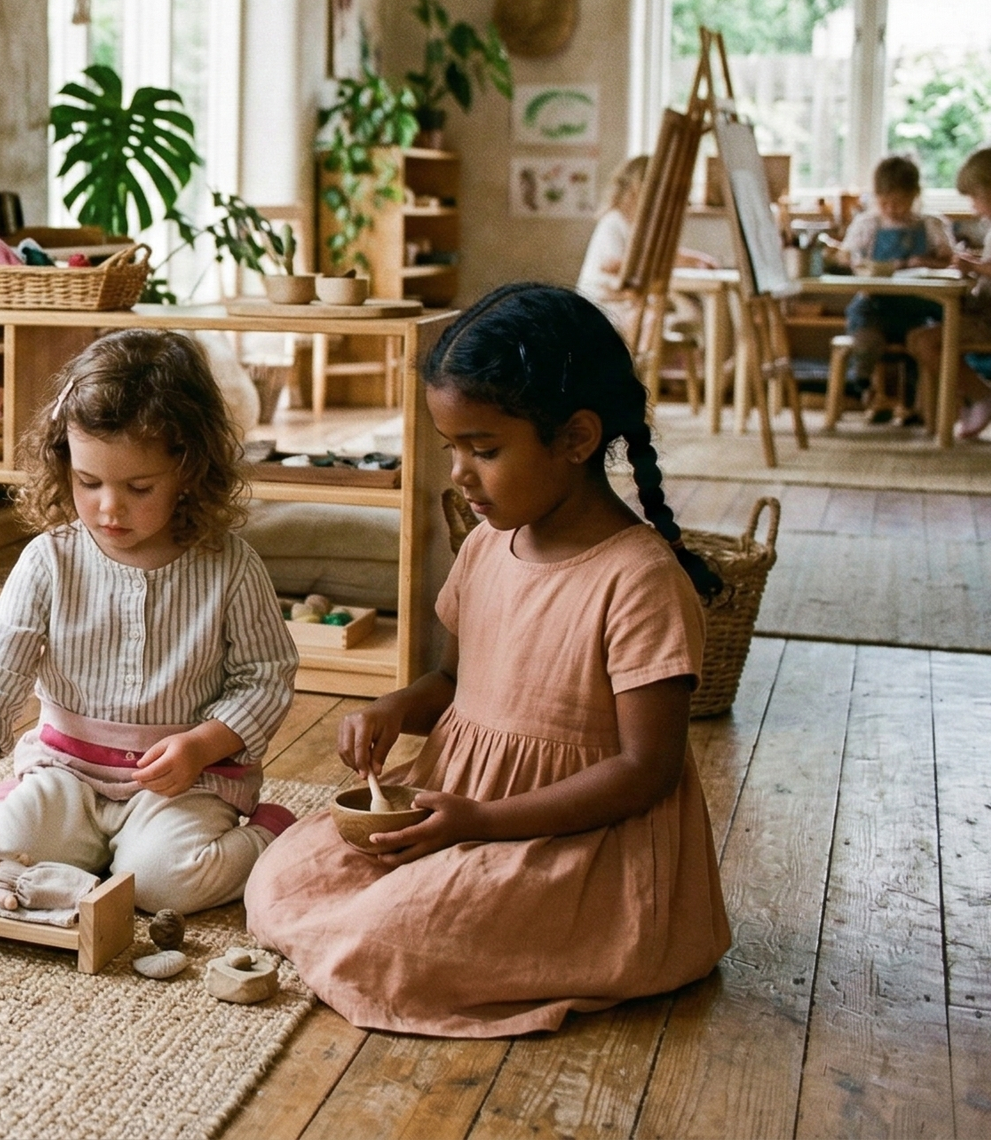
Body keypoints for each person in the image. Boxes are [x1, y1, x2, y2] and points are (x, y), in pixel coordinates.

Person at [245, 284, 731, 1036]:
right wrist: (393, 708)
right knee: (282, 873)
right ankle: (389, 910)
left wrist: (483, 821)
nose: (459, 476)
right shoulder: (484, 546)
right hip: (460, 802)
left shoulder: (640, 579)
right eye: (451, 449)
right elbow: (449, 681)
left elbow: (647, 769)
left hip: (575, 839)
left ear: (575, 439)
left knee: (388, 936)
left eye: (485, 449)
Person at [0, 330, 298, 915]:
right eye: (88, 482)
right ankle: (48, 818)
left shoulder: (229, 566)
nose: (109, 508)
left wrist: (203, 746)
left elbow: (267, 678)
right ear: (64, 464)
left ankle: (270, 833)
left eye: (139, 487)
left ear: (188, 467)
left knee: (158, 885)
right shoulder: (50, 560)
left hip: (183, 782)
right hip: (67, 771)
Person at [906, 145, 991, 439]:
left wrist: (979, 268)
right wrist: (975, 265)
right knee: (918, 337)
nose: (973, 205)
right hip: (988, 315)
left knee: (926, 342)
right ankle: (961, 404)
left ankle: (983, 396)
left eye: (974, 196)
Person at [833, 155, 954, 423]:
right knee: (866, 331)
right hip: (876, 301)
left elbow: (949, 260)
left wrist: (927, 261)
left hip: (917, 305)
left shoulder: (930, 224)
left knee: (919, 344)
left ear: (915, 196)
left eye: (899, 202)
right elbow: (845, 256)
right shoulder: (869, 224)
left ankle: (912, 406)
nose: (891, 209)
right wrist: (859, 262)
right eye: (884, 202)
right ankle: (860, 381)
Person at [575, 154, 716, 339]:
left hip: (629, 301)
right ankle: (637, 365)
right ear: (635, 191)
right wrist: (661, 262)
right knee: (649, 319)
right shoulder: (614, 221)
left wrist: (693, 259)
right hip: (603, 304)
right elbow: (612, 264)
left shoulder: (641, 228)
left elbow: (660, 253)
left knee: (684, 312)